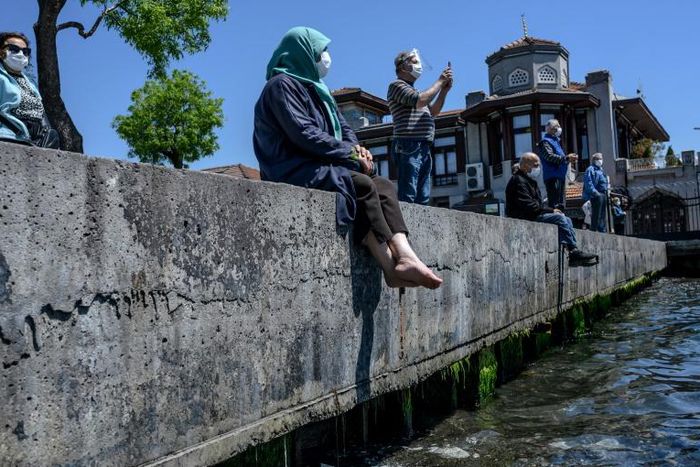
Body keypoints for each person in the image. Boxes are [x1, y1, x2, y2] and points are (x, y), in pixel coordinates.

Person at [253, 27, 442, 289]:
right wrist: (350, 154)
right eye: (321, 51)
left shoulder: (319, 90)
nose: (326, 56)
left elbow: (345, 130)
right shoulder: (281, 86)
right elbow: (303, 133)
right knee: (360, 185)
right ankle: (390, 266)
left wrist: (357, 150)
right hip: (291, 166)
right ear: (304, 52)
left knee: (383, 185)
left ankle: (406, 254)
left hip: (320, 162)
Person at [506, 152, 597, 265]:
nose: (538, 168)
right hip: (523, 216)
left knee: (566, 219)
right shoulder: (518, 180)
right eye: (535, 165)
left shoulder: (530, 181)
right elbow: (528, 205)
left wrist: (552, 209)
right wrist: (550, 211)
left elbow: (537, 204)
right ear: (525, 166)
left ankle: (573, 249)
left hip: (532, 214)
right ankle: (573, 252)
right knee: (559, 219)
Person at [388, 49, 453, 204]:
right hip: (408, 143)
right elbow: (420, 101)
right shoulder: (396, 85)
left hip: (421, 145)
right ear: (403, 66)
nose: (418, 65)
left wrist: (444, 90)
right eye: (414, 61)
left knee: (422, 196)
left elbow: (434, 111)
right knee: (408, 194)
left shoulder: (415, 90)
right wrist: (439, 81)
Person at [0, 32, 59, 148]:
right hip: (10, 133)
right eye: (14, 49)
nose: (21, 54)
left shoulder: (31, 83)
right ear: (1, 52)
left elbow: (40, 110)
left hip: (38, 136)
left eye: (25, 51)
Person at [537, 119, 578, 208]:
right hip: (553, 177)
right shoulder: (545, 142)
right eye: (558, 126)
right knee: (555, 205)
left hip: (559, 176)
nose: (560, 128)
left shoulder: (555, 142)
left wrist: (569, 160)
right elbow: (549, 157)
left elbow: (560, 159)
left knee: (560, 204)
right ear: (551, 129)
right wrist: (567, 157)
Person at [582, 153, 609, 233]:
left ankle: (602, 230)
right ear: (594, 160)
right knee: (596, 214)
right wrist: (595, 193)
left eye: (601, 158)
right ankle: (594, 229)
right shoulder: (590, 169)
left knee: (603, 214)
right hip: (596, 195)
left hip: (603, 193)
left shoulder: (601, 169)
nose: (600, 160)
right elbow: (588, 183)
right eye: (598, 159)